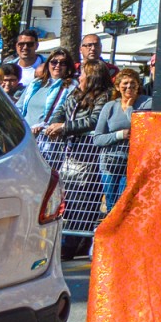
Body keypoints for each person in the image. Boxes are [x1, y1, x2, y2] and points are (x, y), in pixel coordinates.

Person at [46, 61, 115, 235]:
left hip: (89, 156)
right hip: (69, 154)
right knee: (67, 198)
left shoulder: (104, 96)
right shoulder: (75, 93)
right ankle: (69, 237)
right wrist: (55, 124)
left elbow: (94, 121)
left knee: (83, 203)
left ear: (92, 76)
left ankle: (78, 240)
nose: (79, 77)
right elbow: (60, 110)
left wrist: (65, 127)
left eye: (83, 73)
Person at [93, 67, 152, 214]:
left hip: (132, 163)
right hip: (109, 163)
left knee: (124, 203)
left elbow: (141, 128)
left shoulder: (147, 103)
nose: (129, 86)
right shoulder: (110, 106)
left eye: (133, 83)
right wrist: (119, 135)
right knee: (111, 205)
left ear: (138, 85)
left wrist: (130, 107)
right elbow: (98, 138)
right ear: (117, 87)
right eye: (125, 83)